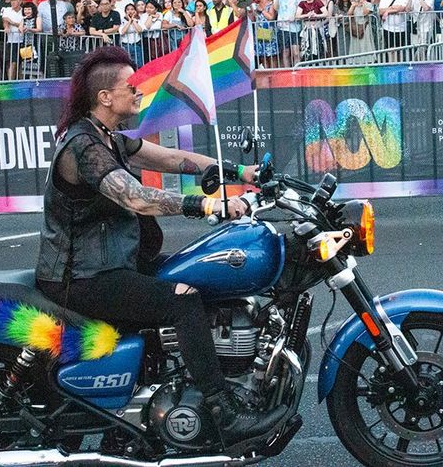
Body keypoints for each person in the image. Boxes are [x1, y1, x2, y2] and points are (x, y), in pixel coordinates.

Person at [35, 47, 287, 448]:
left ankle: (141, 410)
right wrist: (206, 204)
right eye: (132, 87)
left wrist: (242, 172)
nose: (139, 93)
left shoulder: (109, 138)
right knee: (181, 300)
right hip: (81, 276)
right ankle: (223, 412)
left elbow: (172, 157)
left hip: (116, 264)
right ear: (105, 97)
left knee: (197, 276)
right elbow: (135, 197)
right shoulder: (84, 148)